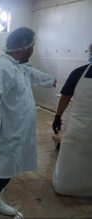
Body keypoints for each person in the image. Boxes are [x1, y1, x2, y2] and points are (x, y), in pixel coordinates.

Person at [0, 27, 56, 219]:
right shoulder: (2, 67)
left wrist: (53, 81)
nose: (33, 50)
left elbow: (33, 74)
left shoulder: (17, 65)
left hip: (15, 133)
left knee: (7, 170)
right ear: (24, 45)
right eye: (33, 46)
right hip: (3, 135)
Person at [52, 43, 92, 197]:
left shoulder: (78, 72)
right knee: (72, 157)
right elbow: (66, 96)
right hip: (77, 126)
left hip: (77, 125)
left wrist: (58, 116)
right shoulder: (79, 73)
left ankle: (66, 186)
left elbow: (65, 97)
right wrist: (57, 116)